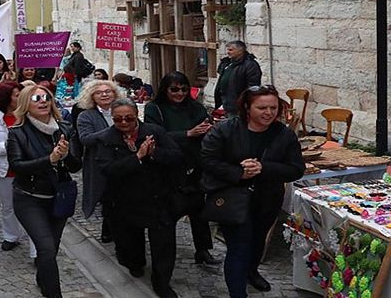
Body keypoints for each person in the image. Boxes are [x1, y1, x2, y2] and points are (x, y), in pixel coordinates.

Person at [201, 85, 304, 297]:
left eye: (273, 108)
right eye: (262, 108)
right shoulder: (226, 130)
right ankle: (238, 294)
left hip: (266, 199)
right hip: (233, 199)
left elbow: (296, 169)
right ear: (247, 108)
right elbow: (207, 159)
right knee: (239, 247)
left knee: (257, 242)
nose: (268, 113)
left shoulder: (284, 135)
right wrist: (238, 172)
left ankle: (252, 271)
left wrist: (264, 168)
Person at [95, 99, 183, 298]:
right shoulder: (107, 139)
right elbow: (108, 169)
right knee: (129, 245)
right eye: (118, 119)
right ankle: (135, 263)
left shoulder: (155, 132)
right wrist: (137, 157)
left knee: (163, 245)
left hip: (158, 197)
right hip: (125, 201)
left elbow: (176, 156)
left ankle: (162, 283)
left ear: (137, 116)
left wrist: (154, 153)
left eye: (129, 118)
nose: (124, 122)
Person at [7, 84, 82, 298]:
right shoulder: (17, 133)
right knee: (46, 248)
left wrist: (66, 155)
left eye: (46, 97)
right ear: (25, 104)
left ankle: (42, 278)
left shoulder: (65, 128)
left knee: (51, 250)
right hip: (29, 198)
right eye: (36, 98)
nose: (42, 101)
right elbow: (17, 166)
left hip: (59, 198)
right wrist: (48, 160)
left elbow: (76, 166)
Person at [144, 71, 220, 265]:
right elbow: (156, 135)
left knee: (199, 209)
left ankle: (203, 249)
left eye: (184, 89)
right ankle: (165, 254)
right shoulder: (155, 108)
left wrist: (207, 130)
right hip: (168, 165)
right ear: (165, 89)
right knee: (170, 210)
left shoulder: (195, 107)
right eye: (174, 89)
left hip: (194, 164)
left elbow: (205, 129)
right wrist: (187, 133)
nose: (180, 93)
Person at [0, 81, 35, 256]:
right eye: (17, 95)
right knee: (8, 206)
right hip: (2, 171)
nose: (21, 98)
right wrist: (11, 146)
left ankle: (37, 250)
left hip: (29, 169)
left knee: (33, 209)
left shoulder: (31, 116)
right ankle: (11, 236)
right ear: (7, 98)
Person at [75, 79, 123, 242]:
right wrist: (111, 132)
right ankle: (109, 228)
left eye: (108, 91)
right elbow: (86, 139)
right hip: (100, 164)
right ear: (92, 97)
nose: (104, 94)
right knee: (107, 197)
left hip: (123, 161)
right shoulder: (86, 116)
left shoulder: (122, 110)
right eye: (99, 92)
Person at [214, 41, 262, 117]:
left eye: (231, 50)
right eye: (228, 50)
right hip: (226, 103)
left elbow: (253, 87)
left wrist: (245, 103)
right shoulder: (227, 63)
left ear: (240, 51)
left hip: (239, 105)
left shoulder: (250, 65)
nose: (228, 52)